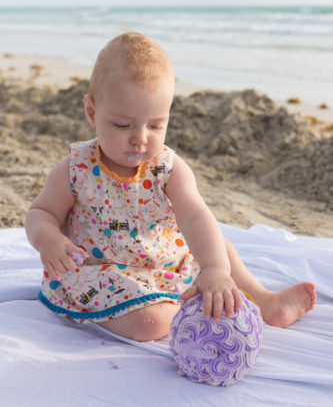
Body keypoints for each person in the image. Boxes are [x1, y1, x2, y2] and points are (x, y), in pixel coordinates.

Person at [25, 32, 316, 343]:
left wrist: (214, 268)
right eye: (123, 125)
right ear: (93, 112)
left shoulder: (168, 168)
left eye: (155, 125)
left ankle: (263, 300)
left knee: (219, 248)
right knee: (147, 324)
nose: (140, 137)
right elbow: (40, 212)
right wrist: (49, 240)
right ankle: (191, 314)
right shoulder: (77, 167)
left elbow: (196, 218)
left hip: (166, 264)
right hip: (102, 275)